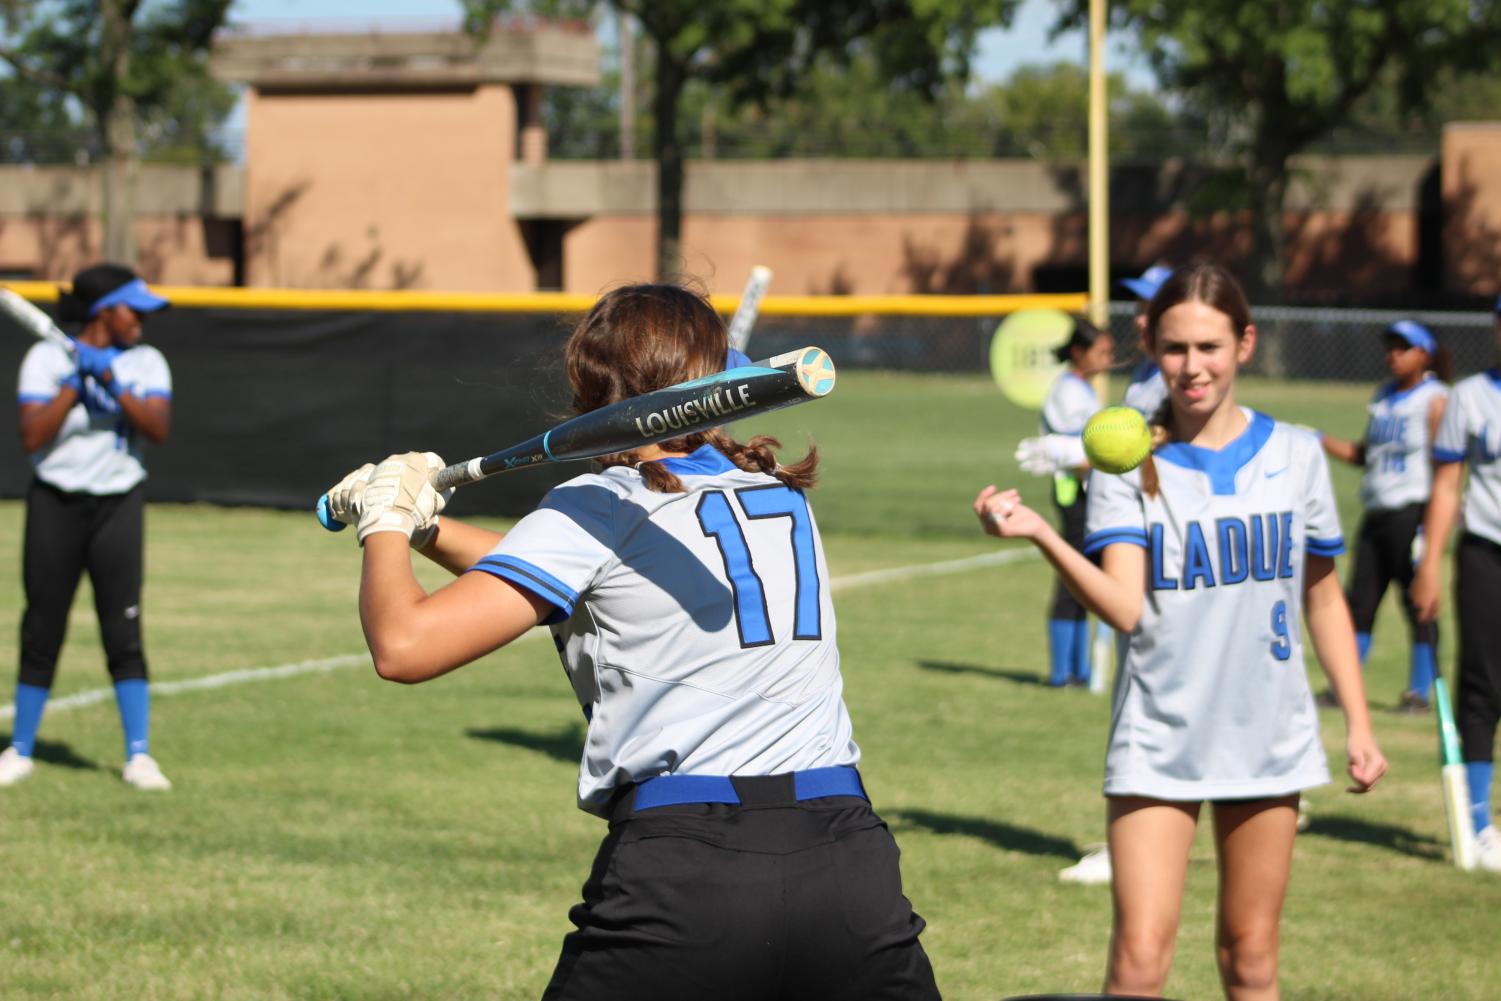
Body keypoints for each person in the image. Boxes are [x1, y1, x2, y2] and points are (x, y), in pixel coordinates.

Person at [324, 283, 941, 1001]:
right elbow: (575, 582)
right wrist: (425, 526)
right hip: (846, 860)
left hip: (687, 870)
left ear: (588, 384)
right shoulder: (771, 489)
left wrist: (384, 525)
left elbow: (405, 645)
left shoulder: (596, 506)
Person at [975, 260, 1386, 1000]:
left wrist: (1357, 721)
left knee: (1250, 956)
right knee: (1138, 960)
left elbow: (1322, 597)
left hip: (1268, 733)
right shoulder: (1126, 462)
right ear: (1151, 349)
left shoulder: (1294, 453)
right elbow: (1125, 607)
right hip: (1160, 732)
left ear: (1244, 344)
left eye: (1208, 347)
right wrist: (1040, 531)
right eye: (1174, 348)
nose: (1191, 367)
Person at [0, 264, 174, 790]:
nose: (142, 319)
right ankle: (21, 749)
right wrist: (75, 384)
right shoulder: (46, 359)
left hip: (118, 505)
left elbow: (157, 428)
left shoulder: (147, 362)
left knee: (122, 628)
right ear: (104, 312)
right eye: (132, 309)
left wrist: (112, 382)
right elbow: (33, 437)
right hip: (55, 502)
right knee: (42, 625)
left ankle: (139, 756)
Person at [1317, 320, 1450, 712]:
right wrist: (1319, 440)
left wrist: (1432, 523)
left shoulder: (1435, 399)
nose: (1393, 354)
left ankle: (1420, 694)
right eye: (1390, 347)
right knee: (1359, 602)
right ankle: (1343, 687)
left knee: (1417, 603)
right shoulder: (1384, 397)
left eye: (1403, 348)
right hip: (1377, 511)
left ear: (1423, 354)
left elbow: (1445, 467)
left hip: (1412, 511)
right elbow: (1365, 455)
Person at [1413, 296, 1501, 871]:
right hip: (1486, 553)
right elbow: (1446, 487)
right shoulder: (1470, 396)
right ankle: (1478, 823)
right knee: (1484, 686)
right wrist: (1429, 564)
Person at [1013, 315, 1115, 688]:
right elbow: (1073, 450)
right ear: (1078, 352)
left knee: (1084, 575)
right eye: (1101, 351)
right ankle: (1061, 671)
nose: (1107, 358)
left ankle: (1080, 668)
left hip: (1089, 490)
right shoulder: (1067, 391)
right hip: (1072, 492)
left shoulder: (1084, 388)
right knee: (1071, 575)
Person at [1120, 264, 1174, 417]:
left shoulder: (1181, 378)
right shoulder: (1146, 366)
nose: (1139, 320)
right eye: (1139, 309)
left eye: (1151, 311)